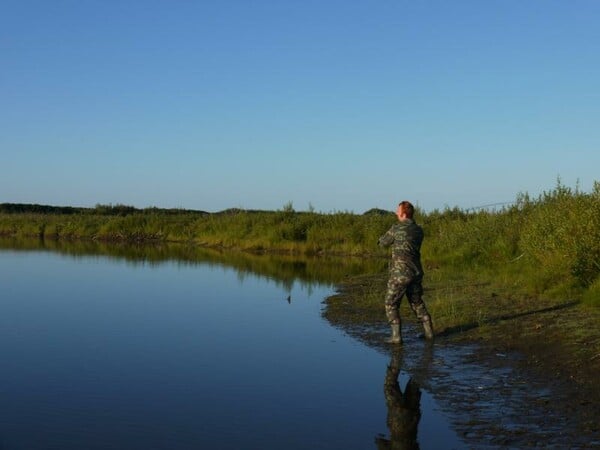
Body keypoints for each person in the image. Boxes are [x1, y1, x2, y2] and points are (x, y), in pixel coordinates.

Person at [378, 201, 434, 344]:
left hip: (400, 274)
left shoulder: (396, 228)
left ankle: (396, 337)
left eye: (398, 211)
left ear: (403, 214)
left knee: (391, 303)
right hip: (415, 272)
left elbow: (383, 243)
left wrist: (380, 239)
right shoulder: (419, 230)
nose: (396, 213)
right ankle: (429, 333)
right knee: (417, 302)